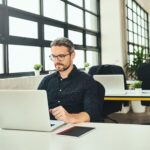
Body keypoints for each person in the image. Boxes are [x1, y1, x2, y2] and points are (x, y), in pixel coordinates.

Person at [38, 37, 103, 123]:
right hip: (48, 127)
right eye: (54, 56)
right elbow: (36, 107)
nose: (57, 61)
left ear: (72, 55)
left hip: (75, 127)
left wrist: (70, 117)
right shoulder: (46, 81)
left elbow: (93, 113)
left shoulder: (87, 80)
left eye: (61, 56)